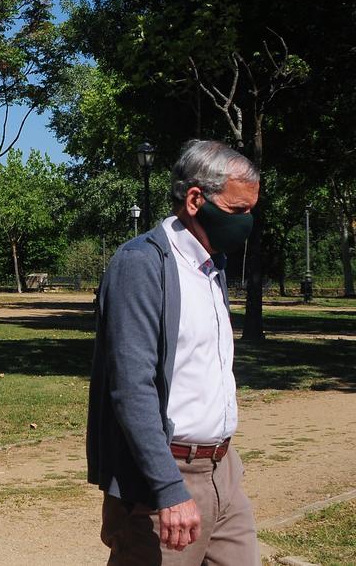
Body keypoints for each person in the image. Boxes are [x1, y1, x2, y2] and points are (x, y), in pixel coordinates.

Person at [87, 140, 260, 564]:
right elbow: (132, 388)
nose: (247, 223)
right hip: (164, 479)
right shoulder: (141, 264)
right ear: (196, 199)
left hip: (222, 470)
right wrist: (167, 489)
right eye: (238, 212)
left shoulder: (210, 268)